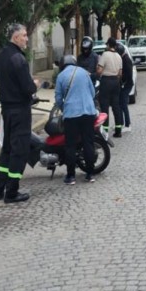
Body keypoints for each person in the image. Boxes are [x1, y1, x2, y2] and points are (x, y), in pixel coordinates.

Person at [0, 23, 39, 204]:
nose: (27, 39)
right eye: (24, 35)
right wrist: (34, 83)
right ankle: (11, 193)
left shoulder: (1, 57)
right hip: (20, 111)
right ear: (15, 37)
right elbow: (28, 87)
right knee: (19, 152)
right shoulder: (18, 59)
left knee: (7, 150)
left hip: (7, 110)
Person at [55, 55, 97, 185]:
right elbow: (93, 93)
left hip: (71, 115)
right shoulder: (84, 73)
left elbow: (58, 99)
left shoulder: (61, 76)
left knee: (70, 145)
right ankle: (90, 174)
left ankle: (71, 176)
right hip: (89, 112)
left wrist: (65, 108)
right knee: (88, 143)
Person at [97, 37, 123, 138]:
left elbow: (99, 70)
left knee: (104, 107)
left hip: (106, 81)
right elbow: (120, 73)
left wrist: (97, 74)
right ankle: (118, 130)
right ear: (115, 46)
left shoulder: (105, 55)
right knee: (116, 106)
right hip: (116, 82)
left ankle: (105, 131)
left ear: (108, 45)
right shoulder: (119, 56)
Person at [116, 42, 134, 133]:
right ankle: (122, 123)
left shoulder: (126, 59)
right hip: (125, 84)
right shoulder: (124, 58)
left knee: (123, 105)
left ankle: (127, 124)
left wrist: (122, 80)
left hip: (126, 85)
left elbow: (128, 75)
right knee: (121, 104)